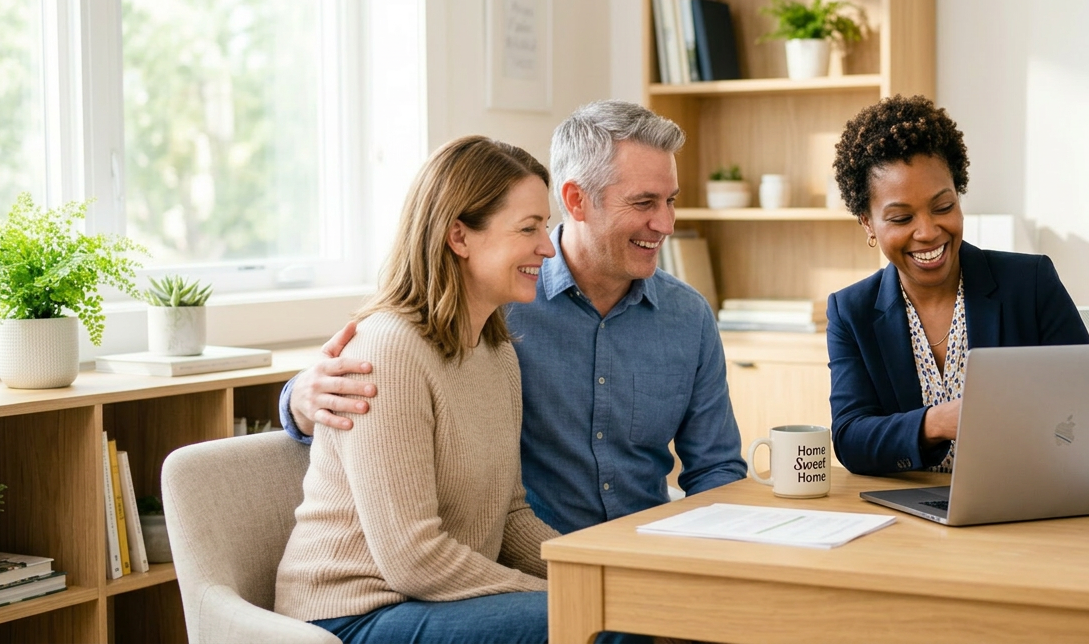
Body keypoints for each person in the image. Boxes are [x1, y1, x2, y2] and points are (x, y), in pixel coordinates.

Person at [279, 100, 746, 534]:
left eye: (671, 201)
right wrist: (299, 400)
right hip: (521, 560)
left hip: (643, 556)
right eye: (644, 203)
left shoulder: (688, 317)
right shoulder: (493, 297)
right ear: (576, 200)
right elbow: (391, 362)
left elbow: (715, 469)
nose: (665, 224)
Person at [273, 136, 561, 643]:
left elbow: (512, 515)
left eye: (546, 227)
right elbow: (414, 559)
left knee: (619, 611)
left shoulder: (498, 355)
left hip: (436, 602)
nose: (547, 246)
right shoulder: (389, 351)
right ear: (459, 236)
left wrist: (593, 575)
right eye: (529, 228)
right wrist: (553, 596)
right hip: (354, 614)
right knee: (587, 622)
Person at [826, 95, 1089, 476]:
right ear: (868, 222)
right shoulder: (851, 311)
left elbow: (1087, 403)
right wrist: (937, 422)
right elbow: (851, 437)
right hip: (912, 514)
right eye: (901, 218)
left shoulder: (1030, 284)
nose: (928, 232)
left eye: (943, 207)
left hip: (1023, 500)